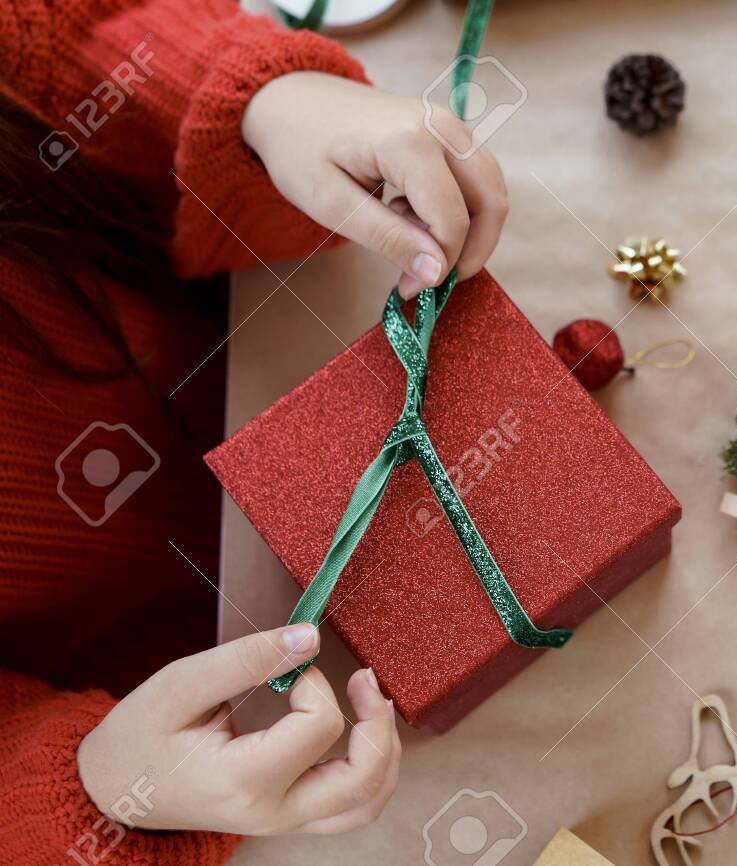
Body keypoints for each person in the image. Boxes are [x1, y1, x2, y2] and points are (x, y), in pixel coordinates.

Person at [0, 1, 508, 862]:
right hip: (202, 719)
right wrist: (96, 791)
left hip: (271, 319)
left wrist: (261, 105)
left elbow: (71, 40)